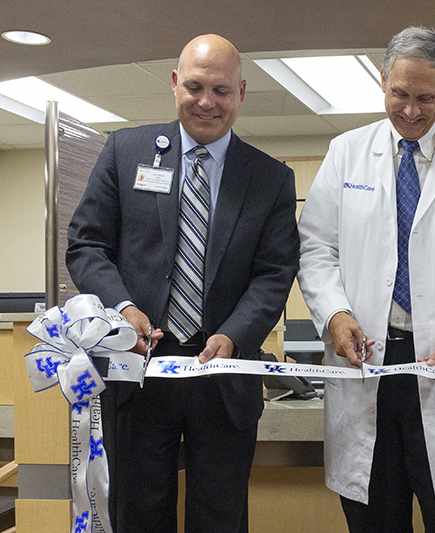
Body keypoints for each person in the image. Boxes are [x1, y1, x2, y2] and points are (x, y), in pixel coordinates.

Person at [66, 34, 299, 533]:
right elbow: (87, 245)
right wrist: (123, 307)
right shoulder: (125, 152)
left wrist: (234, 333)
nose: (206, 102)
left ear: (240, 92)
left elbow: (275, 273)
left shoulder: (270, 178)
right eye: (194, 86)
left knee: (220, 516)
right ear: (174, 84)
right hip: (139, 370)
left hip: (224, 375)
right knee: (139, 513)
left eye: (221, 89)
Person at [297, 26, 435, 533]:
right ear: (382, 81)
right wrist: (334, 313)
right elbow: (315, 249)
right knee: (373, 518)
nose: (412, 110)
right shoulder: (345, 152)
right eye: (400, 94)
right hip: (368, 360)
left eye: (426, 97)